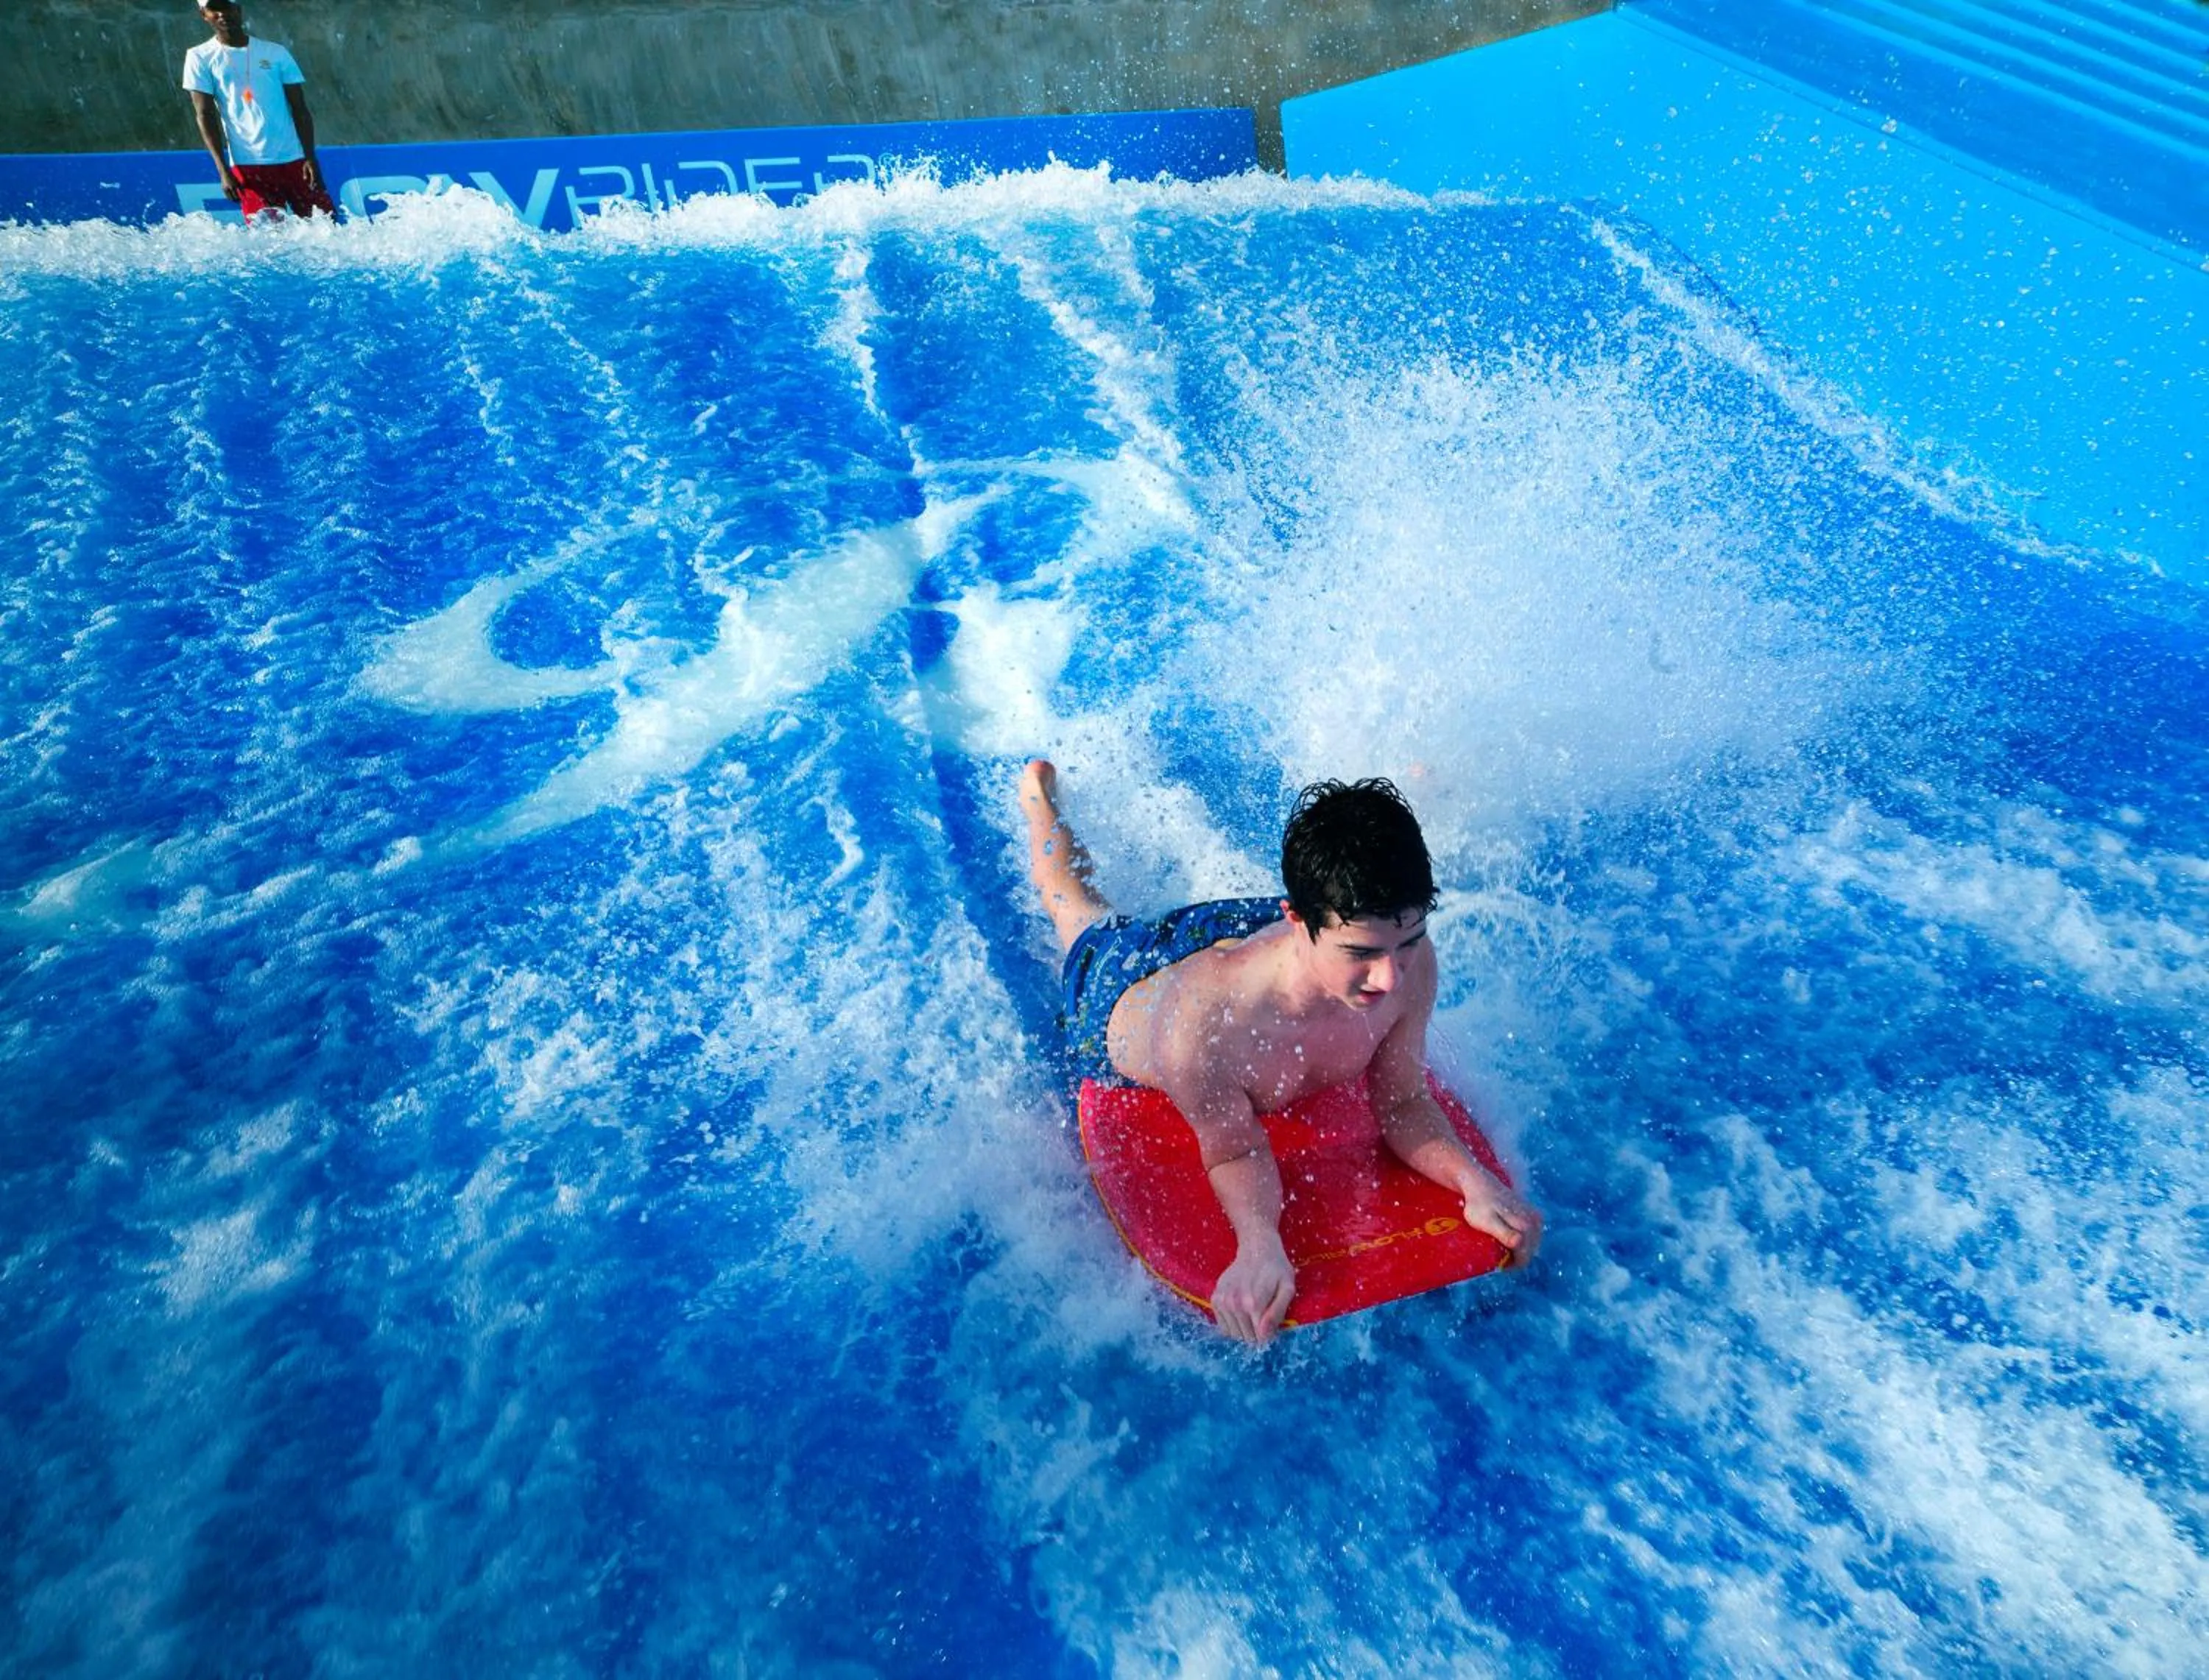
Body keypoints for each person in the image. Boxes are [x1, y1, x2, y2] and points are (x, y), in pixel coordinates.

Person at [1020, 759, 1543, 1346]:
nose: (1391, 978)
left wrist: (1475, 1184)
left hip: (1262, 938)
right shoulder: (1207, 1028)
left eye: (1409, 943)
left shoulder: (1395, 952)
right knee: (1076, 907)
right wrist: (1258, 1244)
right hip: (1130, 986)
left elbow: (1402, 1101)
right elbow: (1235, 1148)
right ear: (1300, 920)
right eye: (1364, 953)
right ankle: (1040, 799)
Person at [181, 1, 335, 220]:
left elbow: (300, 108)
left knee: (326, 227)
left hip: (295, 159)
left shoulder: (275, 52)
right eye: (214, 9)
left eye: (228, 7)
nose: (222, 14)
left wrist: (310, 158)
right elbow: (204, 115)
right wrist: (223, 171)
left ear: (239, 10)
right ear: (203, 14)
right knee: (269, 240)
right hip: (248, 164)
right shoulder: (199, 57)